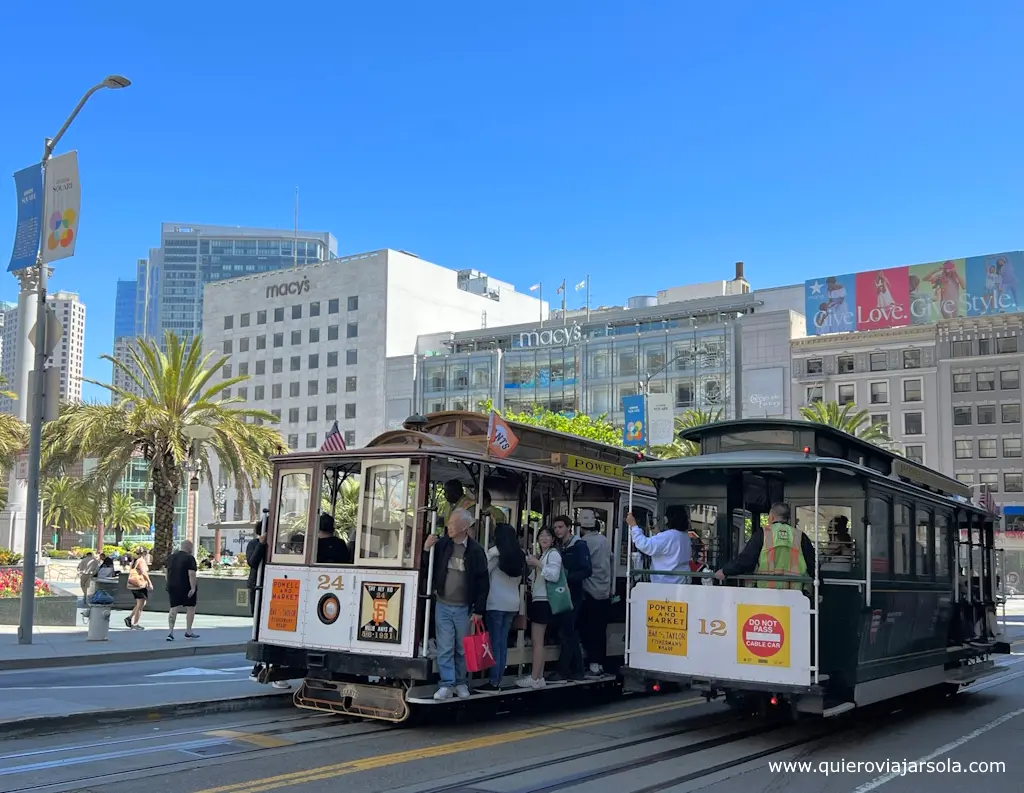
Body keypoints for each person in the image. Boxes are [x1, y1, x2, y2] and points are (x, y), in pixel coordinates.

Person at [423, 507, 489, 700]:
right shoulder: (443, 545)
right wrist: (427, 549)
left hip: (464, 608)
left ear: (464, 526)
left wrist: (479, 609)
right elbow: (428, 566)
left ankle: (460, 682)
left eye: (452, 523)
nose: (448, 527)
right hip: (443, 604)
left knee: (462, 647)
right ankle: (446, 684)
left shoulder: (475, 551)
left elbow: (483, 582)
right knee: (445, 647)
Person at [714, 502, 815, 588]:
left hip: (767, 593)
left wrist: (725, 571)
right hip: (794, 592)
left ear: (771, 516)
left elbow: (746, 560)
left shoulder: (763, 534)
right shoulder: (800, 536)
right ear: (787, 518)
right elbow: (812, 565)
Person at [481, 522, 525, 691]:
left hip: (495, 603)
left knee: (495, 643)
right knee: (502, 643)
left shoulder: (494, 553)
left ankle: (493, 681)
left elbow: (483, 571)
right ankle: (497, 679)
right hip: (513, 603)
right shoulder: (519, 554)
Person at [517, 527, 562, 689]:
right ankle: (539, 676)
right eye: (541, 535)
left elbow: (554, 575)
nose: (544, 538)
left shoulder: (553, 554)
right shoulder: (544, 556)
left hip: (544, 601)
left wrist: (538, 564)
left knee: (537, 641)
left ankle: (535, 677)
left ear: (552, 539)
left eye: (547, 535)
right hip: (539, 599)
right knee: (539, 641)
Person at [551, 515, 590, 681]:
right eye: (555, 528)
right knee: (568, 632)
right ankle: (577, 669)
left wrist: (568, 578)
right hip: (562, 593)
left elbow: (587, 570)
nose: (558, 530)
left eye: (560, 527)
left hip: (573, 594)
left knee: (567, 632)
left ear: (568, 527)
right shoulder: (561, 547)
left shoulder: (579, 546)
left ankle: (566, 669)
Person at [578, 510, 612, 676]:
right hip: (604, 591)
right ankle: (598, 663)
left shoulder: (583, 543)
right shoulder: (604, 541)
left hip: (589, 591)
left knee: (587, 629)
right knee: (600, 629)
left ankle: (589, 661)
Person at [626, 508, 692, 584]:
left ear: (667, 519)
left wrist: (633, 526)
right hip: (682, 581)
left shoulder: (668, 536)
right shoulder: (685, 536)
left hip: (666, 583)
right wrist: (659, 533)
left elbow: (644, 545)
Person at [166, 540, 199, 641]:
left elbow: (167, 572)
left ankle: (170, 632)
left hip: (173, 585)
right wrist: (193, 588)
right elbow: (191, 574)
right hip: (186, 586)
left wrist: (168, 584)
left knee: (173, 608)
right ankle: (188, 630)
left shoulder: (171, 557)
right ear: (189, 547)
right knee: (191, 607)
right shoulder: (190, 558)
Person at [125, 548, 153, 629]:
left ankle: (129, 618)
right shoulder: (141, 561)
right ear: (144, 553)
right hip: (139, 585)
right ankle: (135, 623)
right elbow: (144, 572)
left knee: (141, 603)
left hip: (134, 584)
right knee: (140, 605)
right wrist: (149, 582)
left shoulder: (134, 561)